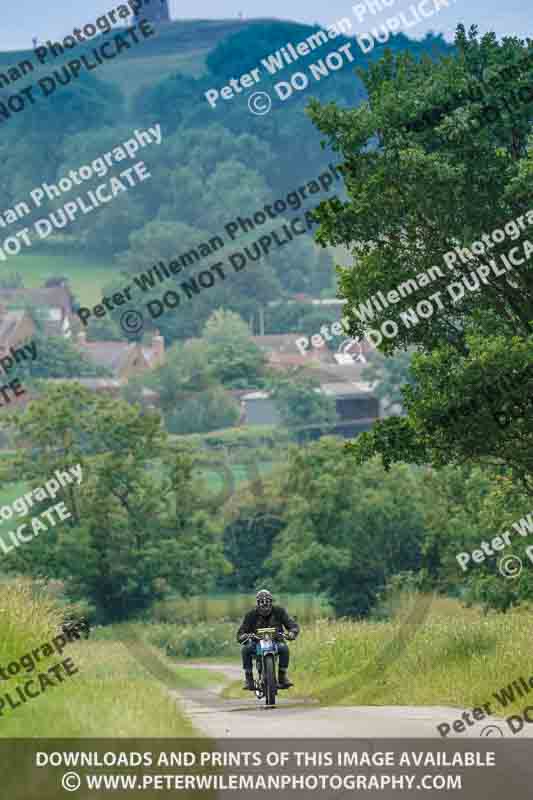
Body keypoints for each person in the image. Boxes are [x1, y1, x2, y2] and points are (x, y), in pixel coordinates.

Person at [237, 589, 299, 691]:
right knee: (245, 650)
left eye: (267, 603)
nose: (265, 606)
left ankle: (282, 677)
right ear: (257, 604)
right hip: (256, 642)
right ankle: (249, 679)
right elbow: (240, 633)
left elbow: (292, 625)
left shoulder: (279, 611)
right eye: (262, 603)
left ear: (271, 602)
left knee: (284, 649)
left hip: (276, 641)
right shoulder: (250, 615)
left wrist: (292, 633)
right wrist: (244, 636)